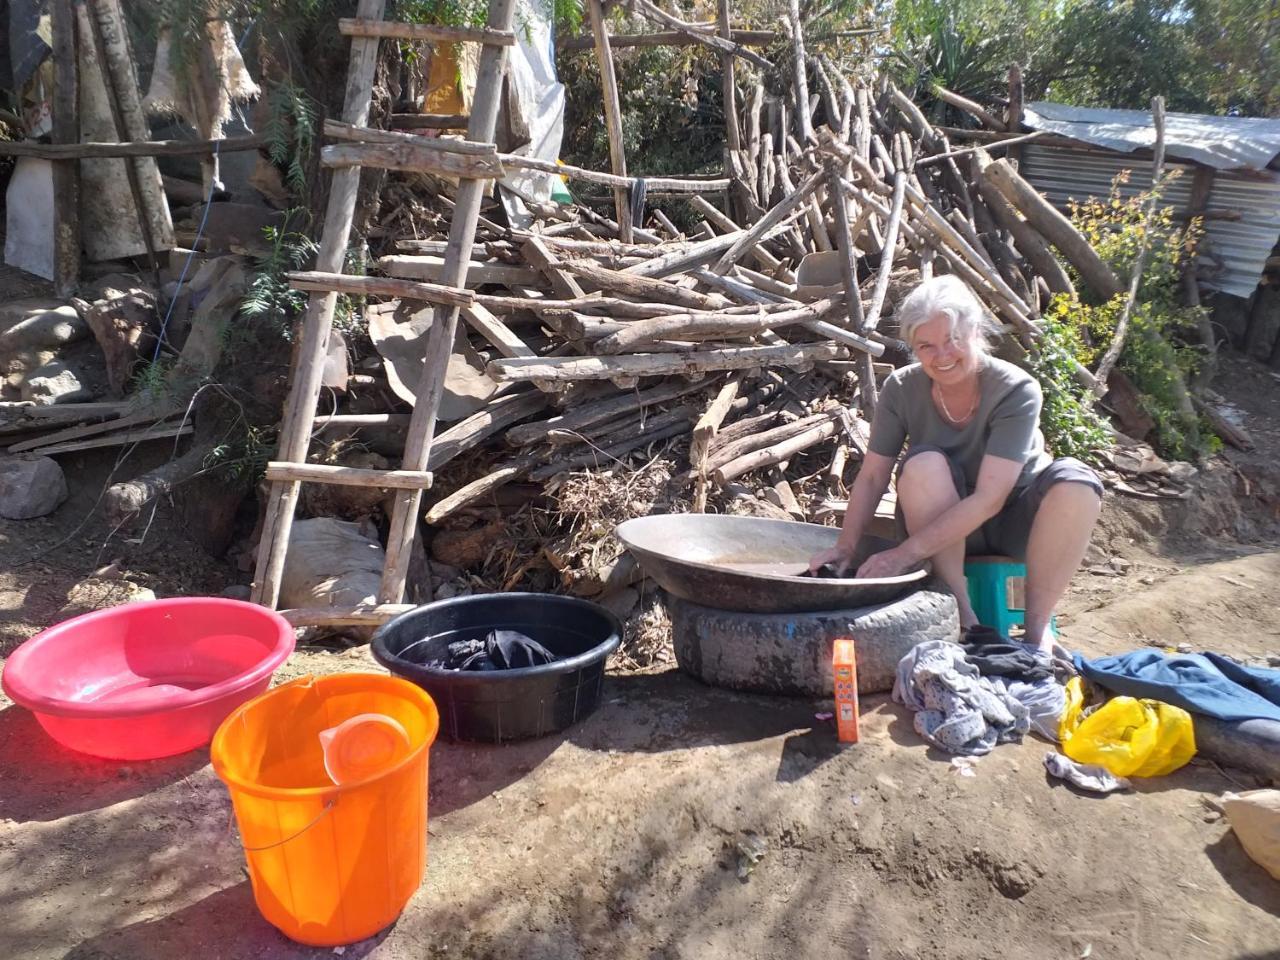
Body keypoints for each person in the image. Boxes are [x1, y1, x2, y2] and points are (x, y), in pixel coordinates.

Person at [809, 275, 1103, 652]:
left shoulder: (1016, 389)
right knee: (923, 464)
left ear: (975, 331)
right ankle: (964, 620)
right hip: (938, 520)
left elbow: (990, 499)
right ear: (912, 348)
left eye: (952, 339)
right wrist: (846, 547)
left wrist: (904, 554)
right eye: (926, 346)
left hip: (1014, 522)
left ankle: (1036, 633)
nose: (942, 355)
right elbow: (872, 476)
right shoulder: (901, 389)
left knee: (1078, 481)